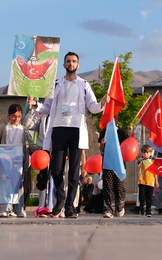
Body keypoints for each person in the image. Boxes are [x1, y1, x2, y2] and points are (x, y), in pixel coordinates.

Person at [38, 52, 107, 218]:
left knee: (74, 170)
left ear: (78, 65)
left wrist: (103, 102)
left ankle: (70, 206)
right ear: (64, 65)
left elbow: (93, 106)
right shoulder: (55, 84)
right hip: (58, 128)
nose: (71, 63)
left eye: (74, 61)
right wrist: (35, 104)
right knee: (56, 169)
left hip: (76, 129)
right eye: (68, 61)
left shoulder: (83, 84)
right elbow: (47, 108)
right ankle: (60, 200)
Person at [0, 104, 33, 217]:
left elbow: (30, 144)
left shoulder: (24, 129)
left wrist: (41, 149)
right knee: (5, 183)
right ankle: (5, 209)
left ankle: (19, 209)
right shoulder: (4, 127)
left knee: (19, 185)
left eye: (19, 116)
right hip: (6, 160)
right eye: (14, 116)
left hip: (19, 161)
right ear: (9, 116)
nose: (16, 118)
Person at [24, 97, 55, 218]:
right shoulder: (41, 115)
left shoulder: (59, 116)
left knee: (55, 179)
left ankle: (54, 206)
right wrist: (31, 111)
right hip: (43, 151)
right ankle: (42, 207)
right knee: (43, 179)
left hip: (56, 150)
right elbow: (27, 125)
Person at [99, 124, 128, 218]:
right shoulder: (104, 133)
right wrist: (102, 144)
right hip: (107, 163)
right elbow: (101, 149)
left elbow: (127, 148)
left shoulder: (122, 132)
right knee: (108, 186)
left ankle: (119, 207)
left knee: (119, 186)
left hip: (119, 164)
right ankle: (108, 210)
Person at [138, 144, 158, 217]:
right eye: (144, 152)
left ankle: (148, 211)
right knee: (142, 196)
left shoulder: (153, 162)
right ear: (142, 153)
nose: (146, 154)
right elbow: (138, 161)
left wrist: (156, 181)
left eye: (147, 152)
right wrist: (144, 158)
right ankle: (141, 206)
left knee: (149, 197)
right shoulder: (142, 161)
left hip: (150, 182)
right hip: (142, 181)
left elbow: (155, 172)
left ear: (150, 153)